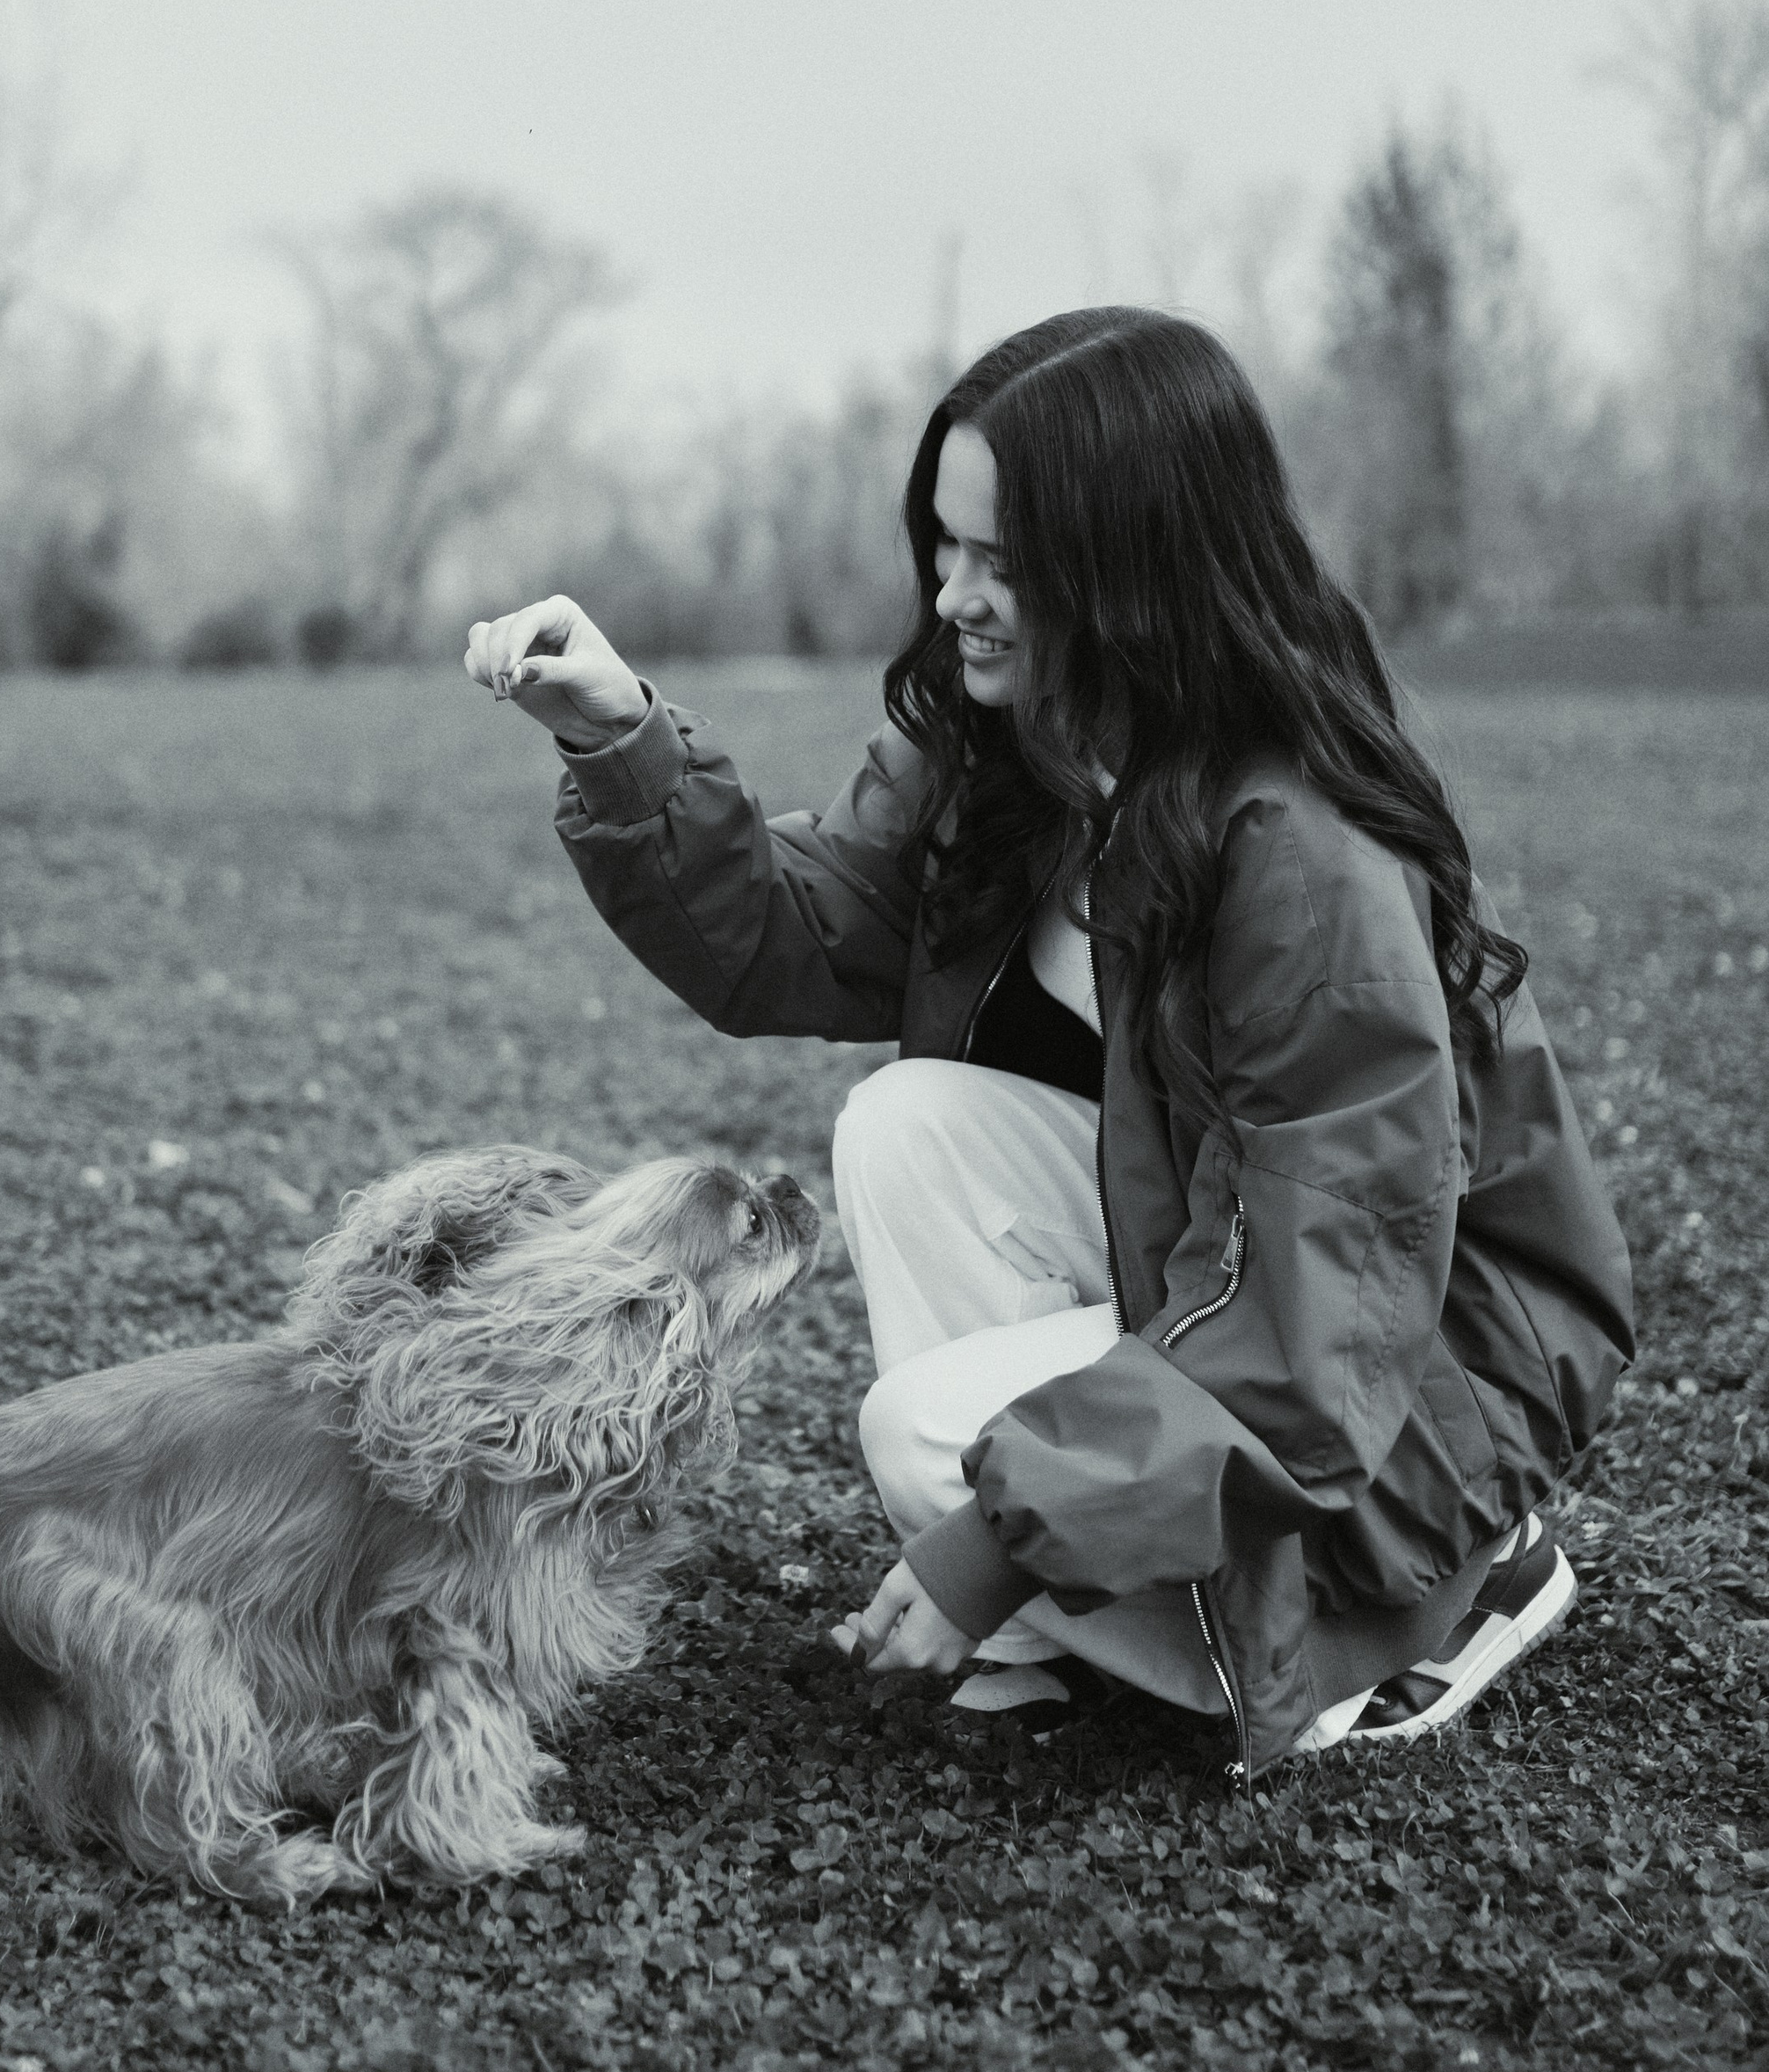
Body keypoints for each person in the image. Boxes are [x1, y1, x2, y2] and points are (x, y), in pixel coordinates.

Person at [463, 310, 1632, 1772]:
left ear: (1137, 563)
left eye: (1005, 560)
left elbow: (1318, 1317)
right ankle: (1061, 1642)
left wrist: (986, 1541)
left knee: (926, 1443)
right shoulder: (1014, 741)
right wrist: (615, 728)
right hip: (1205, 1244)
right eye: (944, 548)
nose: (956, 596)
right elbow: (802, 932)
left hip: (1419, 1355)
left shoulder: (1301, 854)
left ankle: (1460, 1590)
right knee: (905, 1122)